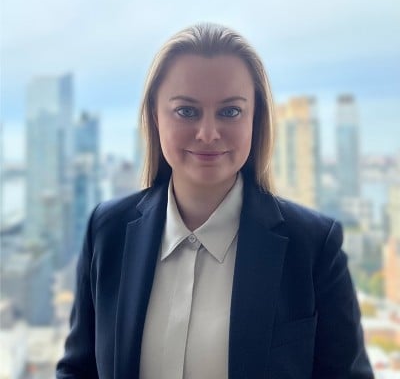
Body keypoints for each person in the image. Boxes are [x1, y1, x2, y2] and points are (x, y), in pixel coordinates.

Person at [56, 23, 373, 378]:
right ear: (154, 116)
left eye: (230, 111)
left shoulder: (313, 247)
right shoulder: (107, 231)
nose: (208, 134)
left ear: (256, 118)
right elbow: (77, 370)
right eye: (186, 111)